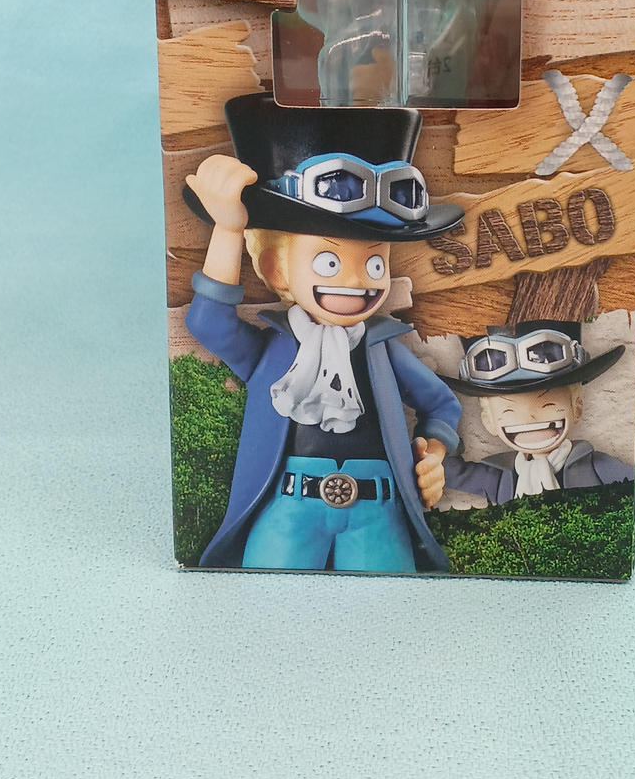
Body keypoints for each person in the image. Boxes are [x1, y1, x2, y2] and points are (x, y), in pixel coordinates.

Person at [183, 92, 465, 572]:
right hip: (290, 508)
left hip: (377, 511)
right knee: (269, 594)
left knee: (387, 600)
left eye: (375, 263)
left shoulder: (380, 348)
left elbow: (441, 404)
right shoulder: (275, 350)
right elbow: (209, 324)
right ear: (275, 269)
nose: (356, 282)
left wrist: (433, 454)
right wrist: (227, 231)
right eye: (329, 262)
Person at [440, 321, 635, 503]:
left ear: (577, 407)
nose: (529, 417)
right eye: (509, 411)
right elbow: (448, 471)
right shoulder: (500, 476)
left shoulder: (596, 467)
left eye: (547, 405)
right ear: (488, 420)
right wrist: (436, 410)